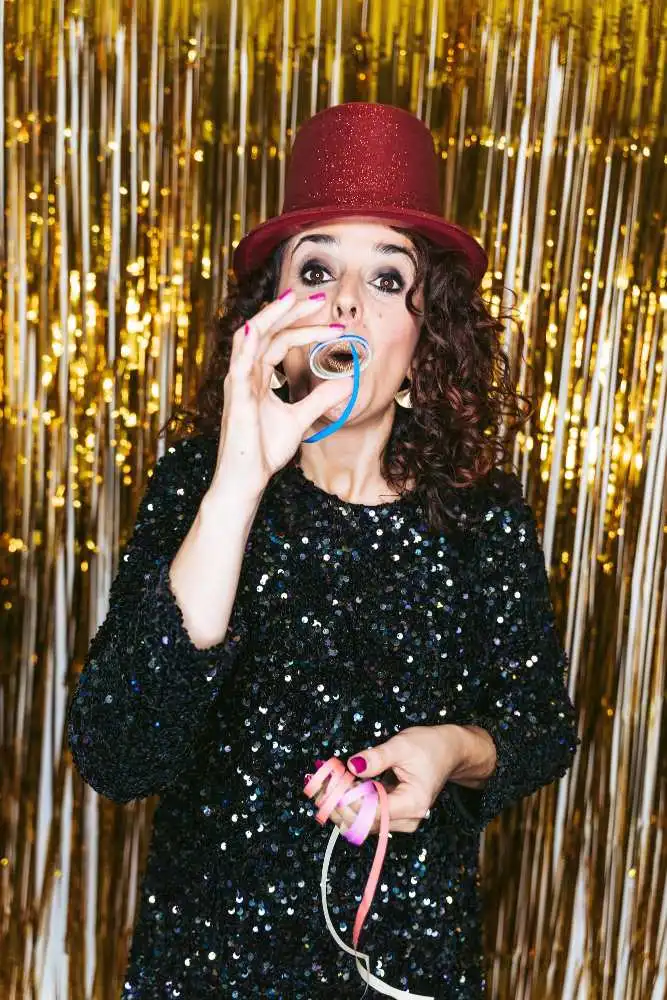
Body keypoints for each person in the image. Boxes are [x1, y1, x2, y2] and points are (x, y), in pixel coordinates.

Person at [67, 102, 580, 999]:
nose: (346, 300)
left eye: (386, 280)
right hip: (206, 969)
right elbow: (119, 754)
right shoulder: (202, 483)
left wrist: (452, 749)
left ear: (425, 343)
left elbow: (540, 729)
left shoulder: (484, 515)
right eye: (317, 269)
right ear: (271, 315)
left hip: (411, 965)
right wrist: (239, 476)